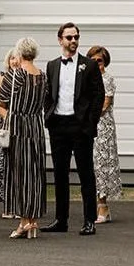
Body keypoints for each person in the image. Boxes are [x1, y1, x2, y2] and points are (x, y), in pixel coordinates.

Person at [42, 22, 105, 235]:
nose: (73, 41)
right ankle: (61, 219)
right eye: (69, 38)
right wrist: (48, 115)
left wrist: (90, 123)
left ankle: (89, 220)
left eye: (76, 37)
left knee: (86, 174)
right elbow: (48, 94)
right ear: (60, 40)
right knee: (60, 175)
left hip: (80, 127)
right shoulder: (52, 65)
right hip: (58, 124)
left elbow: (98, 96)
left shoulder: (89, 65)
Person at [0, 37, 48, 240]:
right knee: (35, 173)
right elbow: (45, 101)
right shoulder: (42, 76)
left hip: (18, 126)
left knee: (19, 174)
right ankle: (33, 220)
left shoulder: (15, 76)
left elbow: (1, 99)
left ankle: (24, 221)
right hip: (35, 126)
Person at [86, 45, 122, 223]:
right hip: (89, 126)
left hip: (102, 127)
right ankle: (96, 206)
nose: (96, 64)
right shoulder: (88, 79)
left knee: (102, 165)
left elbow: (104, 104)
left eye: (99, 60)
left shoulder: (107, 79)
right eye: (92, 61)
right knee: (91, 165)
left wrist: (86, 113)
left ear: (105, 61)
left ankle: (103, 206)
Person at [0, 48, 20, 217]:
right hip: (6, 124)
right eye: (12, 58)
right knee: (5, 162)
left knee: (19, 164)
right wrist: (10, 119)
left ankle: (19, 203)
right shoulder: (3, 76)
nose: (14, 61)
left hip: (22, 123)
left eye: (18, 58)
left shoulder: (25, 77)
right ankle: (8, 204)